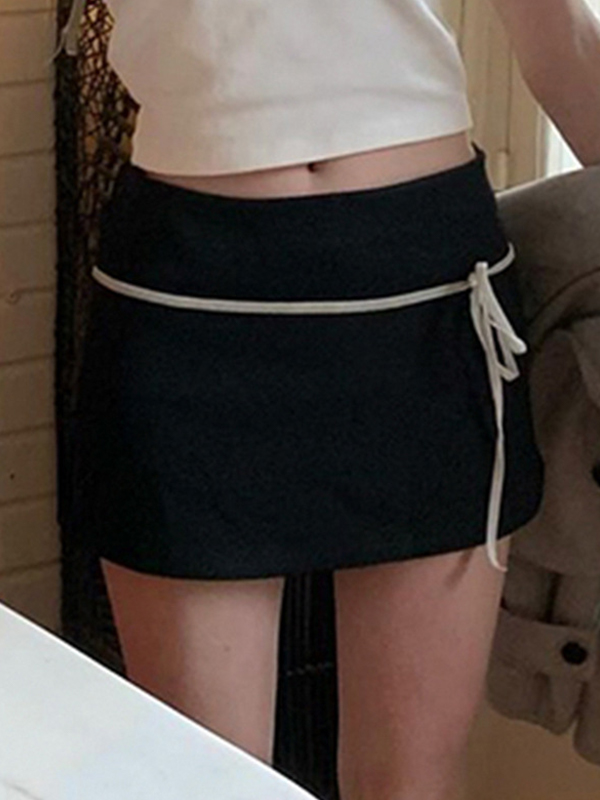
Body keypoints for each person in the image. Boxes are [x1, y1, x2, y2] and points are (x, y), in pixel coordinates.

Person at [55, 1, 600, 798]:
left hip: (425, 291)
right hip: (191, 295)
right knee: (205, 784)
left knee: (410, 787)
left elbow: (561, 42)